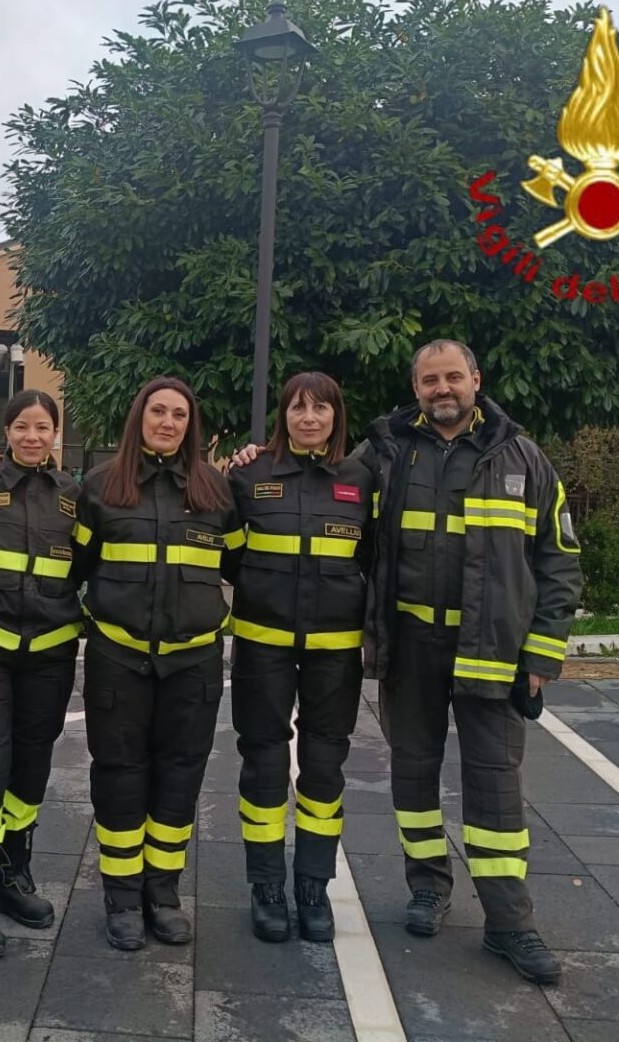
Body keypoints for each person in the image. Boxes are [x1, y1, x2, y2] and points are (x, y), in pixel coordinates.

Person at [357, 339, 581, 985]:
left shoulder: (524, 458)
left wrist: (541, 653)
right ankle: (427, 887)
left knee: (495, 787)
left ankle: (509, 922)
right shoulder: (386, 452)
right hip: (411, 648)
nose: (442, 389)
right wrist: (257, 461)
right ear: (416, 388)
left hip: (494, 654)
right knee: (412, 775)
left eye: (453, 376)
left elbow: (560, 561)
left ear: (475, 380)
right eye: (430, 380)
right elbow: (325, 490)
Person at [74, 376, 241, 950]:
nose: (168, 422)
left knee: (179, 777)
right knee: (119, 777)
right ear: (139, 418)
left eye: (179, 414)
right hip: (118, 659)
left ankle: (162, 894)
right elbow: (75, 565)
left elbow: (240, 564)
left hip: (193, 664)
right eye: (158, 412)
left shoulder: (216, 490)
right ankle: (122, 897)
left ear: (191, 425)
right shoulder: (100, 487)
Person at [225, 371, 374, 944]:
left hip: (334, 653)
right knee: (263, 764)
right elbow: (228, 556)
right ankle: (266, 886)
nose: (309, 418)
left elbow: (374, 558)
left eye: (321, 409)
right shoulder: (249, 473)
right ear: (282, 415)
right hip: (262, 645)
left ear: (336, 416)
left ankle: (313, 886)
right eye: (297, 408)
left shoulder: (361, 479)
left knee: (324, 769)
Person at [0, 390, 83, 960]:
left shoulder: (74, 495)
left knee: (31, 768)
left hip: (49, 653)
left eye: (43, 427)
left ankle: (10, 876)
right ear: (6, 432)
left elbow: (86, 564)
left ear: (55, 434)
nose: (33, 436)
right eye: (22, 426)